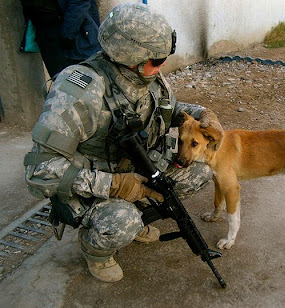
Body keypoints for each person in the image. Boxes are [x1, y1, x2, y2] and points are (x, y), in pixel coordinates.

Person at [24, 2, 223, 283]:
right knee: (120, 223)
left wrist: (203, 113)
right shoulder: (77, 92)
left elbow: (168, 109)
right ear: (132, 56)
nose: (162, 65)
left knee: (199, 172)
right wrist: (115, 185)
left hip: (135, 167)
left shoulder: (146, 75)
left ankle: (137, 216)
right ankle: (96, 249)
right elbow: (39, 172)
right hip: (95, 182)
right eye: (157, 60)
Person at [20, 0, 101, 77]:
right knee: (59, 81)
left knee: (75, 83)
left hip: (72, 36)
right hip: (48, 36)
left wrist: (68, 35)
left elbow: (79, 5)